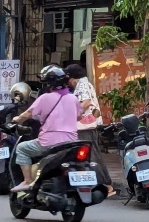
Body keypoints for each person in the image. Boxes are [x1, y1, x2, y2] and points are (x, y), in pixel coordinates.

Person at [9, 65, 83, 193]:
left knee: (22, 148)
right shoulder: (73, 98)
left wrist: (16, 119)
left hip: (49, 142)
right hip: (71, 142)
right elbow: (79, 116)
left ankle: (27, 181)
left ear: (49, 84)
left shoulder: (44, 98)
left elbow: (27, 114)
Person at [64, 64, 115, 197]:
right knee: (89, 156)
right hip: (86, 126)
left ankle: (107, 185)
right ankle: (96, 184)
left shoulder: (82, 85)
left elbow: (85, 102)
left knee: (92, 156)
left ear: (72, 78)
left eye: (68, 80)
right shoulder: (85, 84)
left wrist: (71, 114)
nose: (69, 84)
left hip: (84, 127)